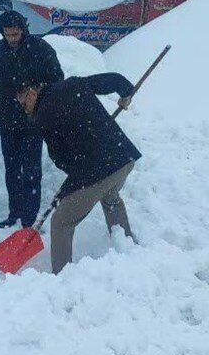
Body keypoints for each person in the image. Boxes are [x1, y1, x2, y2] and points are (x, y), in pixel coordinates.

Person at [15, 74, 141, 274]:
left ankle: (63, 276)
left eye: (23, 105)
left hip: (100, 169)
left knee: (61, 222)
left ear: (32, 92)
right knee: (110, 197)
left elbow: (62, 159)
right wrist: (126, 94)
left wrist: (72, 184)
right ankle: (130, 249)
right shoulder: (72, 84)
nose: (25, 109)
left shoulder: (42, 118)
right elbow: (115, 80)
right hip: (123, 157)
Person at [0, 10, 64, 228]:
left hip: (33, 120)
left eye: (16, 34)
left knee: (32, 170)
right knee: (12, 170)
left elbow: (57, 79)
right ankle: (14, 213)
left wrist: (37, 90)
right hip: (8, 121)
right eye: (8, 35)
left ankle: (30, 217)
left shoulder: (41, 49)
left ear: (23, 30)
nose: (12, 39)